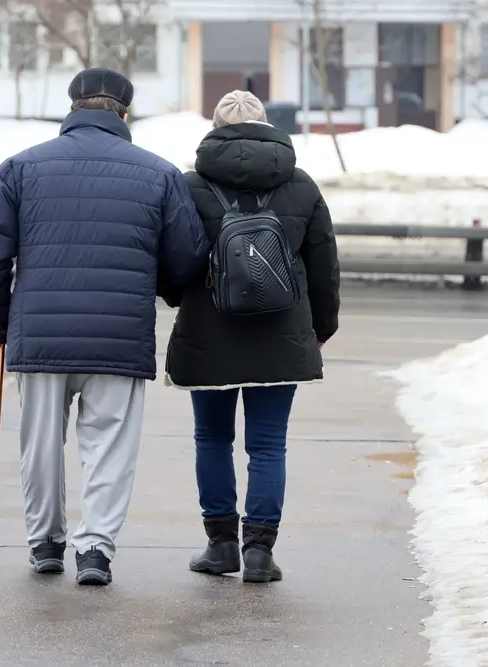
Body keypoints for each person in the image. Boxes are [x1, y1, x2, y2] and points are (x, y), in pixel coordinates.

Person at [0, 67, 209, 587]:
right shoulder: (158, 173)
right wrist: (157, 287)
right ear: (124, 113)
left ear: (72, 107)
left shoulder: (22, 167)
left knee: (40, 444)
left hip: (39, 335)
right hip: (118, 335)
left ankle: (45, 541)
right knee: (109, 446)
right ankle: (95, 548)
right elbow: (188, 256)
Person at [161, 91, 341, 583]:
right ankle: (259, 552)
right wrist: (320, 329)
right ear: (267, 127)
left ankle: (221, 546)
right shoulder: (301, 185)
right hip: (281, 336)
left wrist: (183, 300)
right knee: (268, 445)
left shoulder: (189, 186)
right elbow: (324, 264)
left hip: (207, 334)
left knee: (212, 439)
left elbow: (173, 260)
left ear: (215, 128)